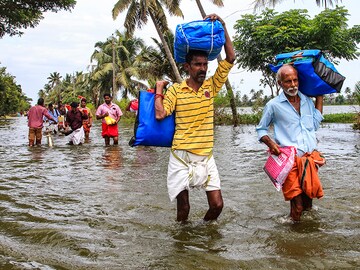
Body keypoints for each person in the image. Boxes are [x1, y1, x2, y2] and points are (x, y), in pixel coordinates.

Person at [154, 14, 235, 223]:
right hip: (181, 155)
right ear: (187, 67)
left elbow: (230, 58)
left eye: (205, 64)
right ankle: (182, 244)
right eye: (197, 65)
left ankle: (202, 233)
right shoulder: (177, 91)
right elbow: (160, 114)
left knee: (217, 205)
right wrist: (159, 89)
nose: (203, 69)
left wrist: (223, 26)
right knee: (184, 209)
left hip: (206, 156)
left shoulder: (211, 86)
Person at [256, 64, 325, 222]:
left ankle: (304, 241)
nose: (293, 85)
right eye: (288, 81)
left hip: (308, 160)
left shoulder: (307, 101)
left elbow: (314, 125)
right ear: (280, 83)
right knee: (298, 207)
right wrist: (271, 143)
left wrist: (320, 97)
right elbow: (261, 129)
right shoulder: (273, 105)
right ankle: (292, 240)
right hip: (289, 161)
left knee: (308, 205)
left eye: (295, 80)